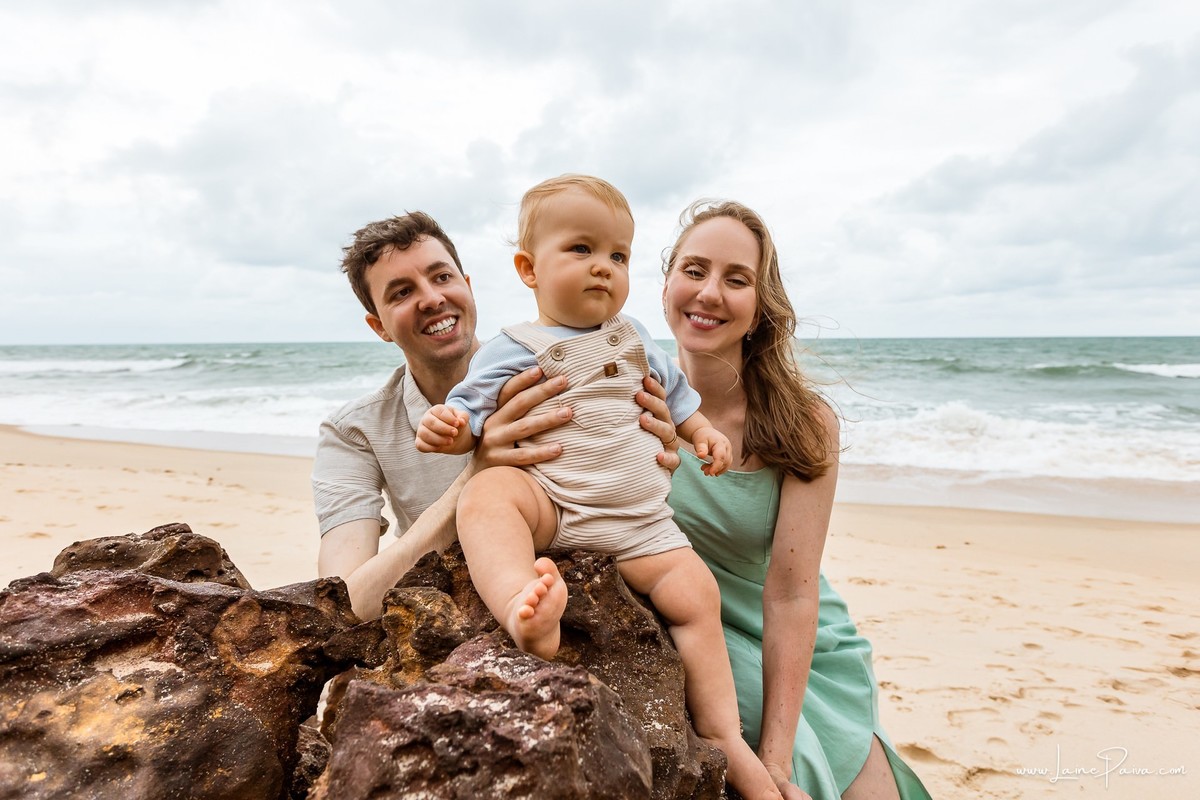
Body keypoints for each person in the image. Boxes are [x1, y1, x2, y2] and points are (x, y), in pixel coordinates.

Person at [416, 175, 784, 800]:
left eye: (619, 256)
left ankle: (724, 733)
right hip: (555, 506)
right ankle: (519, 607)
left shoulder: (637, 338)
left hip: (643, 523)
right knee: (488, 496)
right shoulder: (513, 347)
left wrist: (703, 436)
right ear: (529, 269)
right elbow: (471, 417)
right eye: (581, 250)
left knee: (697, 593)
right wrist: (449, 429)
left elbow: (678, 402)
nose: (604, 269)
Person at [660, 200, 932, 800]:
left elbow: (792, 591)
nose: (708, 293)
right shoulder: (631, 402)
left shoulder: (802, 422)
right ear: (667, 282)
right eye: (694, 269)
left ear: (760, 308)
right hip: (700, 626)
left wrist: (776, 756)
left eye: (737, 280)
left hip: (801, 637)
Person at [312, 210, 674, 620]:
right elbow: (342, 606)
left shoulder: (572, 368)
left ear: (468, 288)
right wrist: (477, 471)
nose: (431, 298)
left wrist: (663, 448)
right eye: (401, 293)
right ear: (379, 326)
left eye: (442, 277)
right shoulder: (353, 432)